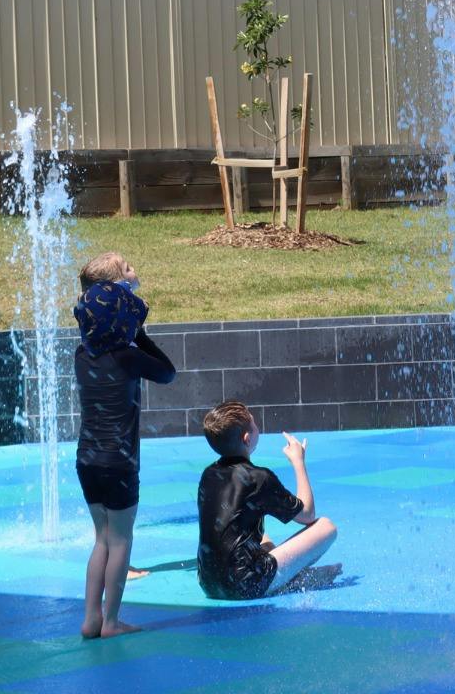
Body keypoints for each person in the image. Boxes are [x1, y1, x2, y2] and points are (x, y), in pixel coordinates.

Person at [72, 252, 176, 638]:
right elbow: (168, 372)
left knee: (100, 538)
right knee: (121, 539)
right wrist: (140, 334)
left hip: (86, 460)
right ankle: (112, 621)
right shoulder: (129, 357)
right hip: (119, 461)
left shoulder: (82, 355)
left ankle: (90, 618)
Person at [196, 400, 338, 600]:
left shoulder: (208, 474)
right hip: (244, 586)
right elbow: (307, 514)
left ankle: (284, 577)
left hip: (209, 584)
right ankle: (295, 580)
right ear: (247, 438)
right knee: (326, 527)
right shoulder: (258, 478)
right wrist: (298, 461)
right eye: (254, 424)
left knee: (264, 537)